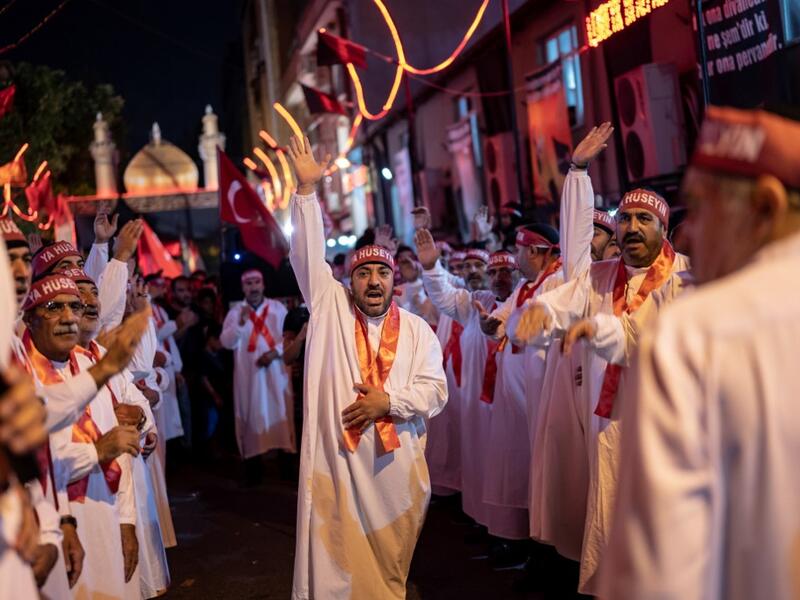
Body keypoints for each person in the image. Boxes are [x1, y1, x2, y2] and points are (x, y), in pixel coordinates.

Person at [597, 106, 800, 600]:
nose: (686, 234)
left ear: (766, 207)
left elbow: (657, 570)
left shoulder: (696, 334)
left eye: (702, 208)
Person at [509, 151, 690, 595]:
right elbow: (557, 304)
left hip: (666, 432)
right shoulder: (598, 277)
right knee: (609, 529)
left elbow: (649, 339)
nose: (631, 228)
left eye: (643, 219)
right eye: (624, 218)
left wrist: (598, 329)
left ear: (663, 229)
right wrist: (535, 315)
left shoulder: (684, 277)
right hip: (605, 431)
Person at [287, 134, 447, 599]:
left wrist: (390, 403)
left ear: (394, 281)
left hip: (395, 471)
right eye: (362, 273)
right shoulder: (329, 306)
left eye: (381, 273)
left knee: (389, 577)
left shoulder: (418, 329)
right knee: (338, 570)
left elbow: (436, 392)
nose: (373, 280)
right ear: (349, 282)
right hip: (340, 466)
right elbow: (306, 256)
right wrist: (306, 193)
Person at [23, 274, 142, 599]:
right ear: (29, 318)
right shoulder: (24, 376)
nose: (67, 317)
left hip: (105, 512)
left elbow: (121, 450)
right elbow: (34, 463)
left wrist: (128, 522)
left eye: (74, 306)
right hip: (53, 525)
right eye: (53, 307)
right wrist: (95, 452)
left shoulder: (94, 362)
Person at [220, 269, 294, 482]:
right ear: (243, 287)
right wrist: (241, 324)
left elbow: (289, 337)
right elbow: (226, 342)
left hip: (276, 372)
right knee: (251, 416)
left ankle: (287, 468)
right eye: (249, 283)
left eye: (257, 282)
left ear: (263, 285)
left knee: (281, 414)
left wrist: (275, 352)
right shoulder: (235, 313)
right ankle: (254, 471)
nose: (253, 287)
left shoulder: (278, 308)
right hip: (249, 378)